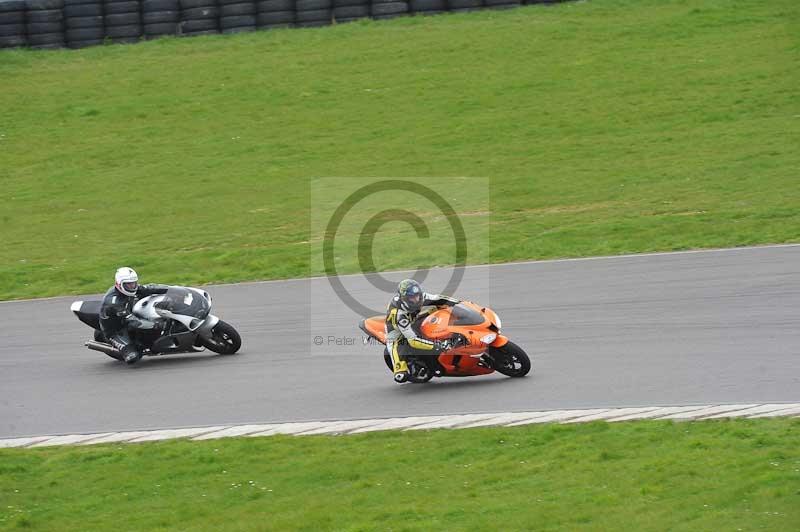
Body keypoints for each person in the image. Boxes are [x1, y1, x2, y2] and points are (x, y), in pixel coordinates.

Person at [385, 279, 464, 383]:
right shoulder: (399, 315)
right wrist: (437, 346)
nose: (416, 299)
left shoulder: (420, 297)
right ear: (404, 298)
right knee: (401, 373)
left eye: (417, 295)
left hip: (413, 319)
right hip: (397, 332)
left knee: (437, 308)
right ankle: (399, 368)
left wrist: (461, 303)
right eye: (412, 298)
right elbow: (413, 340)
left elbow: (438, 298)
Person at [98, 267, 168, 365]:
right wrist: (158, 325)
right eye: (128, 285)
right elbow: (133, 322)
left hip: (127, 313)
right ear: (119, 284)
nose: (132, 286)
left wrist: (171, 289)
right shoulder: (114, 304)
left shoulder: (130, 288)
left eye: (134, 283)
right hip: (116, 329)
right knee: (133, 357)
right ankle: (132, 347)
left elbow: (148, 288)